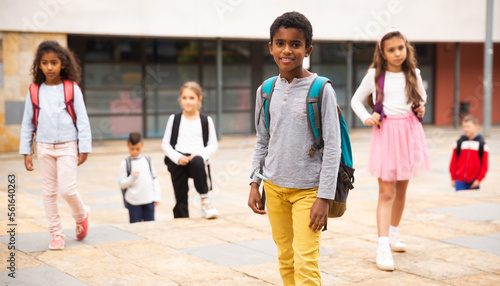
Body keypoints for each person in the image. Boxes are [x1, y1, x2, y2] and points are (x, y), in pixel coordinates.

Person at [248, 12, 340, 285]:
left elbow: (333, 147)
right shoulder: (265, 90)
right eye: (280, 43)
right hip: (274, 189)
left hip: (309, 193)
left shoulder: (321, 89)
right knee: (285, 257)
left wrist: (324, 197)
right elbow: (262, 139)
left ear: (307, 49)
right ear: (271, 47)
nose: (287, 50)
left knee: (306, 262)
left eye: (295, 44)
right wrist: (255, 181)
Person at [350, 28, 431, 271]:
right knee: (386, 192)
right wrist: (366, 117)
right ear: (383, 54)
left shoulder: (413, 73)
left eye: (401, 48)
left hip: (409, 134)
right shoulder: (375, 75)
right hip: (386, 134)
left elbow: (422, 99)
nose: (397, 53)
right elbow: (355, 100)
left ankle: (394, 233)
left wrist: (421, 108)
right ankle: (382, 245)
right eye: (391, 50)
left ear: (407, 49)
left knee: (402, 188)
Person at [19, 40, 92, 250]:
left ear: (63, 64)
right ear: (39, 65)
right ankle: (56, 233)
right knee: (49, 192)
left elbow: (82, 119)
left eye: (54, 62)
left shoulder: (72, 89)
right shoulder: (34, 90)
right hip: (43, 147)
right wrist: (26, 151)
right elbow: (27, 122)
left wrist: (84, 147)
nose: (49, 67)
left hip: (68, 145)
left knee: (67, 190)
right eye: (44, 62)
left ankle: (81, 214)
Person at [162, 82, 219, 219]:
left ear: (199, 99)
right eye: (184, 98)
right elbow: (165, 144)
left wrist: (199, 154)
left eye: (191, 98)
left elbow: (213, 145)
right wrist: (177, 158)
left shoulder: (206, 120)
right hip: (178, 161)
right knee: (180, 196)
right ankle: (181, 216)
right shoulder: (174, 119)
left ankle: (205, 202)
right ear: (180, 99)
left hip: (197, 161)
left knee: (199, 162)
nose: (188, 101)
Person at [119, 132, 161, 223]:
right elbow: (122, 184)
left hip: (149, 200)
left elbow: (154, 179)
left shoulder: (147, 160)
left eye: (137, 149)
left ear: (142, 145)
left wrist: (157, 196)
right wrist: (132, 178)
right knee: (135, 228)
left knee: (150, 227)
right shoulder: (125, 163)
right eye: (132, 149)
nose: (134, 151)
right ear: (128, 146)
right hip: (133, 202)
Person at [449, 115, 489, 191]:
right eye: (464, 127)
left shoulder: (482, 145)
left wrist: (478, 180)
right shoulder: (459, 143)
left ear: (476, 127)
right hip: (459, 181)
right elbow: (453, 162)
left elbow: (485, 166)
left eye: (468, 127)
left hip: (474, 181)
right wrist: (453, 178)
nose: (465, 129)